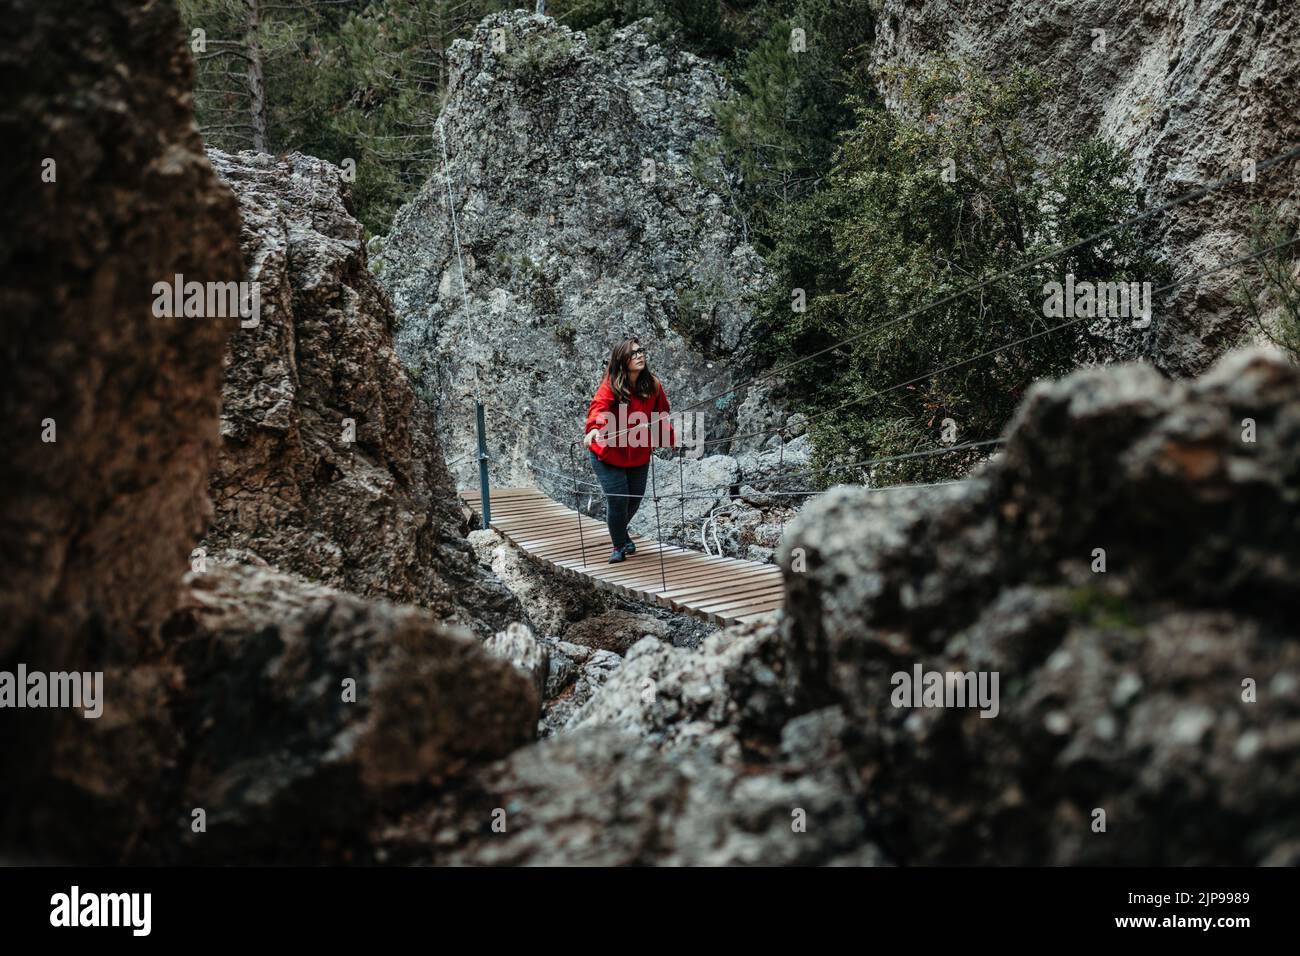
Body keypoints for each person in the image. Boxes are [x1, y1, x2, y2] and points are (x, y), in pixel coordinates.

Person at [583, 336, 676, 563]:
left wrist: (663, 433)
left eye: (641, 351)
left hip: (637, 451)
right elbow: (599, 408)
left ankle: (621, 534)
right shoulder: (611, 385)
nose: (639, 355)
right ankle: (618, 546)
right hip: (607, 453)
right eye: (633, 354)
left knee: (634, 499)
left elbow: (661, 411)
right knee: (618, 499)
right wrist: (595, 428)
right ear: (622, 360)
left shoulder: (653, 384)